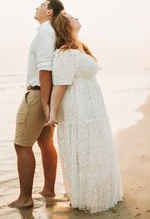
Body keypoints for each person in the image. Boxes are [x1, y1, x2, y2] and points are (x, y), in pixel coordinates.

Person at [46, 11, 123, 213]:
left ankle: (99, 190)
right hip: (77, 106)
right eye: (72, 17)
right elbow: (60, 85)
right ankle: (86, 194)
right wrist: (53, 112)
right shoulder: (64, 52)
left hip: (92, 104)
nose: (77, 18)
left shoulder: (80, 46)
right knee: (84, 147)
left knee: (95, 147)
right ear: (65, 24)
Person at [9, 0, 64, 208]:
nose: (37, 7)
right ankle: (48, 190)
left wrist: (43, 104)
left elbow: (45, 69)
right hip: (46, 94)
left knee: (21, 145)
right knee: (45, 142)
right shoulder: (51, 32)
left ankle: (25, 198)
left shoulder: (44, 32)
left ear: (49, 11)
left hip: (37, 94)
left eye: (41, 5)